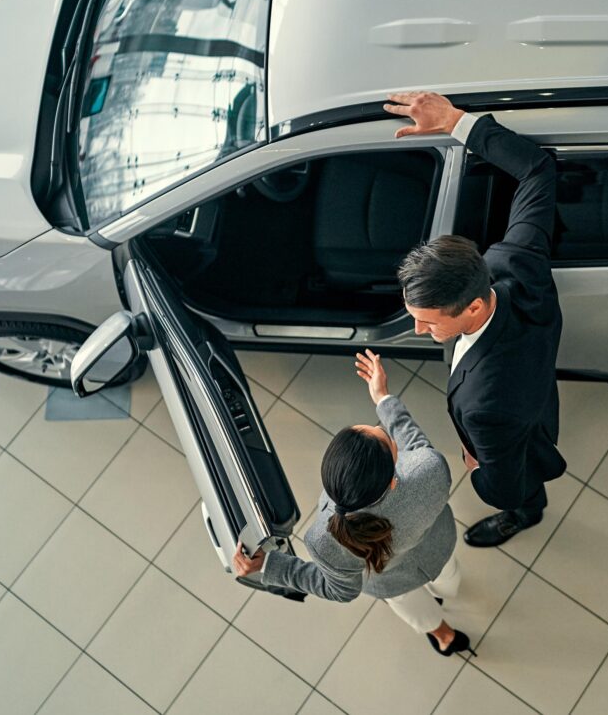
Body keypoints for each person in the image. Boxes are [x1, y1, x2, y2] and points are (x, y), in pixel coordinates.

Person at [385, 91, 566, 548]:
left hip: (522, 426)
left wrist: (477, 470)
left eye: (427, 322)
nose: (418, 332)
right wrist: (456, 121)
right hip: (534, 388)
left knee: (520, 490)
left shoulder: (487, 407)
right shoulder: (516, 263)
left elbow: (500, 484)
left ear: (473, 307)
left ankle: (526, 516)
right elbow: (538, 169)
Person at [232, 349, 473, 657]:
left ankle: (442, 635)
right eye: (383, 436)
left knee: (411, 606)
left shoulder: (323, 539)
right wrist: (383, 398)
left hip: (389, 579)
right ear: (392, 480)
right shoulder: (430, 471)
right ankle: (445, 597)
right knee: (449, 580)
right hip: (437, 547)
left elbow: (336, 589)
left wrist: (268, 565)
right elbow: (416, 441)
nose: (381, 428)